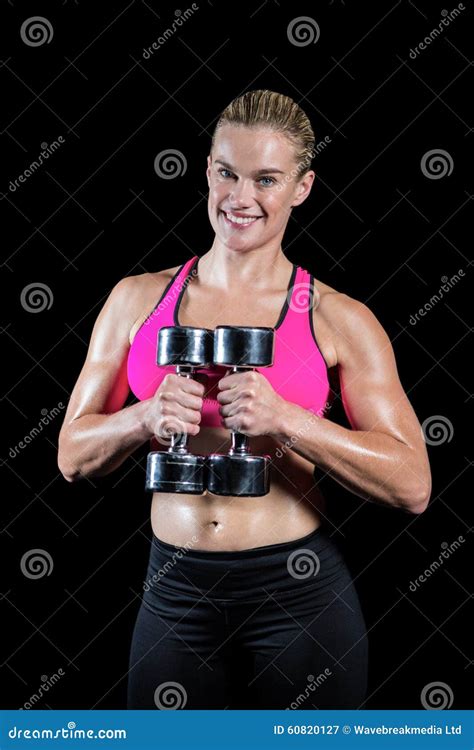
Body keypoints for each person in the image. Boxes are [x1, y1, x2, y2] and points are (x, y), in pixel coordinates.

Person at [58, 90, 432, 710]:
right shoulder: (136, 300)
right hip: (175, 592)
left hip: (298, 594)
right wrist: (141, 417)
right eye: (227, 173)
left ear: (302, 187)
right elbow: (72, 455)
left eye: (266, 179)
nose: (240, 198)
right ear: (207, 170)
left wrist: (289, 420)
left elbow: (413, 483)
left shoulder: (340, 318)